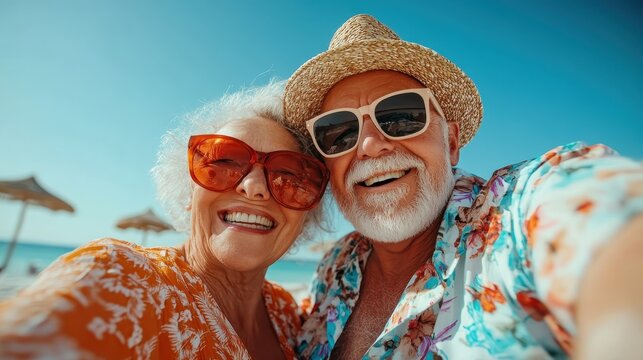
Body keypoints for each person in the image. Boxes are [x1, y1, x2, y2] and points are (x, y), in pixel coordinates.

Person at [283, 14, 643, 359]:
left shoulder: (513, 213)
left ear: (451, 143)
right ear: (327, 163)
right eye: (340, 132)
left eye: (401, 116)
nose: (370, 145)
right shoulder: (334, 266)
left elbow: (607, 212)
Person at [0, 81, 330, 359]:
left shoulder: (287, 313)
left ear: (305, 214)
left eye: (288, 176)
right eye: (224, 162)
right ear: (189, 193)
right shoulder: (118, 279)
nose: (254, 186)